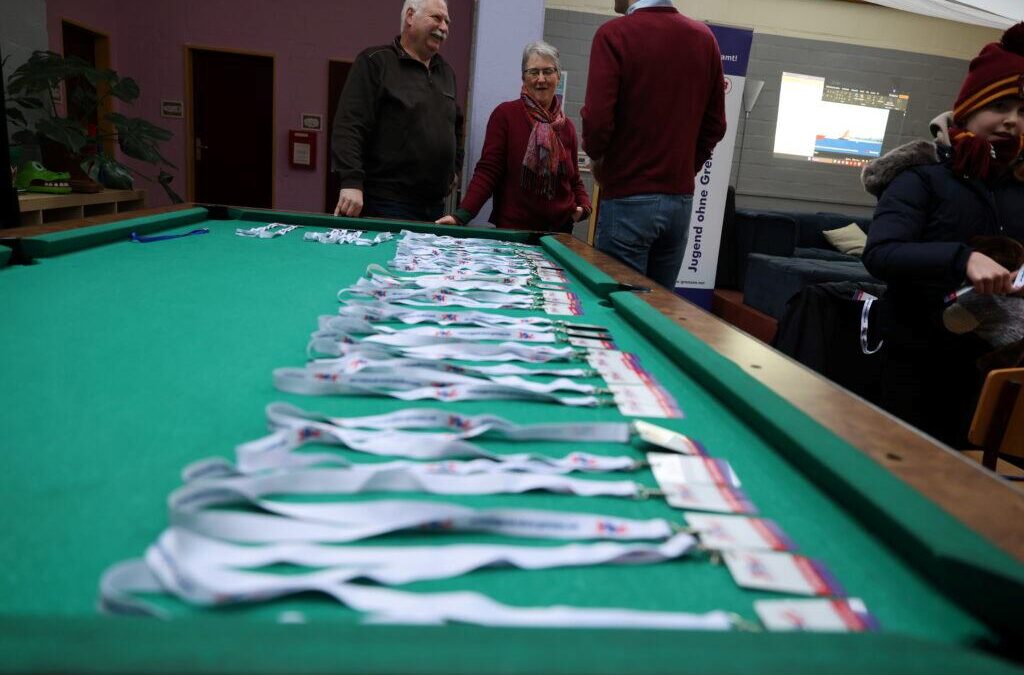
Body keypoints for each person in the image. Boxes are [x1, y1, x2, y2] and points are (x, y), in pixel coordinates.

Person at [861, 21, 1024, 447]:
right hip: (918, 365)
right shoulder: (921, 178)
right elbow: (881, 254)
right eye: (1001, 105)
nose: (1012, 122)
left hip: (998, 371)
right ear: (968, 107)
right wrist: (962, 259)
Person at [581, 0, 726, 288]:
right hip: (679, 203)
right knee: (659, 312)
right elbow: (716, 125)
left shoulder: (614, 35)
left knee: (622, 309)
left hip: (628, 198)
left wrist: (599, 160)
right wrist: (686, 167)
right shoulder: (704, 38)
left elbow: (597, 121)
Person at [437, 42, 591, 232]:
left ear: (558, 76)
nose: (541, 79)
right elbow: (488, 171)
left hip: (560, 233)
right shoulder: (505, 115)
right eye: (533, 72)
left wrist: (583, 207)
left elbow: (574, 178)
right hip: (514, 232)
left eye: (548, 71)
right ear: (523, 78)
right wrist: (461, 215)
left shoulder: (566, 126)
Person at [331, 0, 462, 222]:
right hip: (387, 204)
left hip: (435, 208)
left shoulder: (446, 72)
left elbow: (456, 126)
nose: (445, 27)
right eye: (437, 18)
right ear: (410, 16)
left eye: (447, 21)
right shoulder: (375, 62)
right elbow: (350, 125)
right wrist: (351, 182)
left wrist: (454, 171)